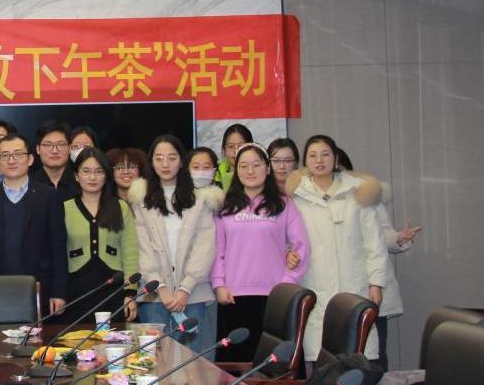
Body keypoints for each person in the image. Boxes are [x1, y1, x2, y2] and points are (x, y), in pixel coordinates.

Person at [287, 135, 388, 366]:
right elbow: (287, 238)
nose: (319, 160)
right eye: (312, 155)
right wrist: (288, 253)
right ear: (305, 162)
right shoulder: (297, 198)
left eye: (325, 154)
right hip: (315, 283)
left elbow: (374, 244)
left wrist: (376, 283)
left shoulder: (358, 194)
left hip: (354, 283)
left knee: (358, 355)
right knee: (321, 359)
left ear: (335, 159)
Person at [210, 144, 310, 362]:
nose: (250, 171)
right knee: (237, 366)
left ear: (267, 168)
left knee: (275, 367)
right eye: (243, 166)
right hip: (233, 297)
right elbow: (217, 250)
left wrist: (286, 285)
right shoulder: (224, 206)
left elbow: (301, 247)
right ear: (236, 170)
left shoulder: (284, 204)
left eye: (256, 165)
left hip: (274, 298)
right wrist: (219, 284)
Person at [129, 135, 221, 352]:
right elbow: (143, 247)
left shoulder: (200, 199)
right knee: (154, 360)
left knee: (192, 362)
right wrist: (160, 287)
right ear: (151, 162)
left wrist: (185, 289)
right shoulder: (141, 200)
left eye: (172, 158)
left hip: (193, 293)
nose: (165, 164)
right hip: (154, 296)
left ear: (181, 162)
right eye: (159, 158)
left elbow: (204, 246)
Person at [334, 147, 421, 370]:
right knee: (339, 356)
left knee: (374, 355)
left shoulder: (365, 196)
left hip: (371, 288)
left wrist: (400, 238)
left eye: (340, 170)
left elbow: (383, 236)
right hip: (338, 290)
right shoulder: (316, 202)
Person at [0, 133, 68, 314]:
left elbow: (58, 247)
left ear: (30, 159)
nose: (11, 160)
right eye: (5, 155)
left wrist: (59, 292)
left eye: (18, 154)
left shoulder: (49, 196)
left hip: (39, 288)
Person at [64, 148, 139, 318]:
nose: (92, 177)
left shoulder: (120, 207)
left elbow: (130, 252)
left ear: (106, 176)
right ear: (76, 176)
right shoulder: (64, 208)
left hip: (114, 288)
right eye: (86, 171)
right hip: (75, 290)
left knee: (115, 334)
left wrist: (130, 292)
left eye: (99, 172)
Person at [32, 120, 79, 201]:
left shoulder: (81, 181)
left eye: (60, 144)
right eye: (48, 145)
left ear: (70, 148)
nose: (54, 151)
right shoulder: (28, 184)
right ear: (38, 149)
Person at [214, 124, 254, 189]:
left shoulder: (260, 173)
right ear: (224, 149)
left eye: (240, 146)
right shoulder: (215, 174)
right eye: (231, 146)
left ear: (251, 147)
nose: (236, 151)